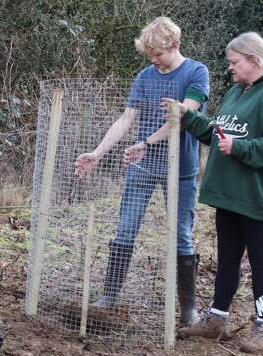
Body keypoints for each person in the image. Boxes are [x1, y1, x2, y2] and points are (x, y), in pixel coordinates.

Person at [72, 17, 210, 326]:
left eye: (158, 54)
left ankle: (188, 309)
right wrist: (97, 153)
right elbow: (126, 119)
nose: (153, 60)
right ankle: (109, 296)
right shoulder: (145, 76)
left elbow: (183, 115)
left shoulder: (197, 72)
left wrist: (147, 141)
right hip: (142, 166)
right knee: (125, 230)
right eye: (149, 55)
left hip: (181, 169)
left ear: (174, 45)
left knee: (181, 237)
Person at [171, 32, 263, 353]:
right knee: (227, 258)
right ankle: (216, 319)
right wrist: (187, 117)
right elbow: (218, 133)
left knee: (261, 261)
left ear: (254, 60)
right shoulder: (236, 93)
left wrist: (239, 147)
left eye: (234, 62)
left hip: (261, 197)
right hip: (230, 194)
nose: (230, 68)